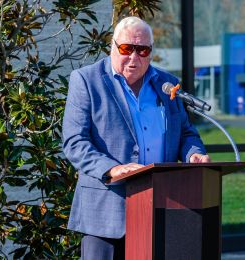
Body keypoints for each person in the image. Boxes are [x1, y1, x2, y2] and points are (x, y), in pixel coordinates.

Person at [62, 16, 210, 260]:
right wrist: (112, 169)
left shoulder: (167, 84)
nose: (134, 57)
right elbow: (75, 142)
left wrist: (192, 152)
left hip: (162, 208)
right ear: (112, 46)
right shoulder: (86, 81)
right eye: (126, 49)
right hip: (106, 214)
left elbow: (185, 132)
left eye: (142, 50)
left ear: (150, 52)